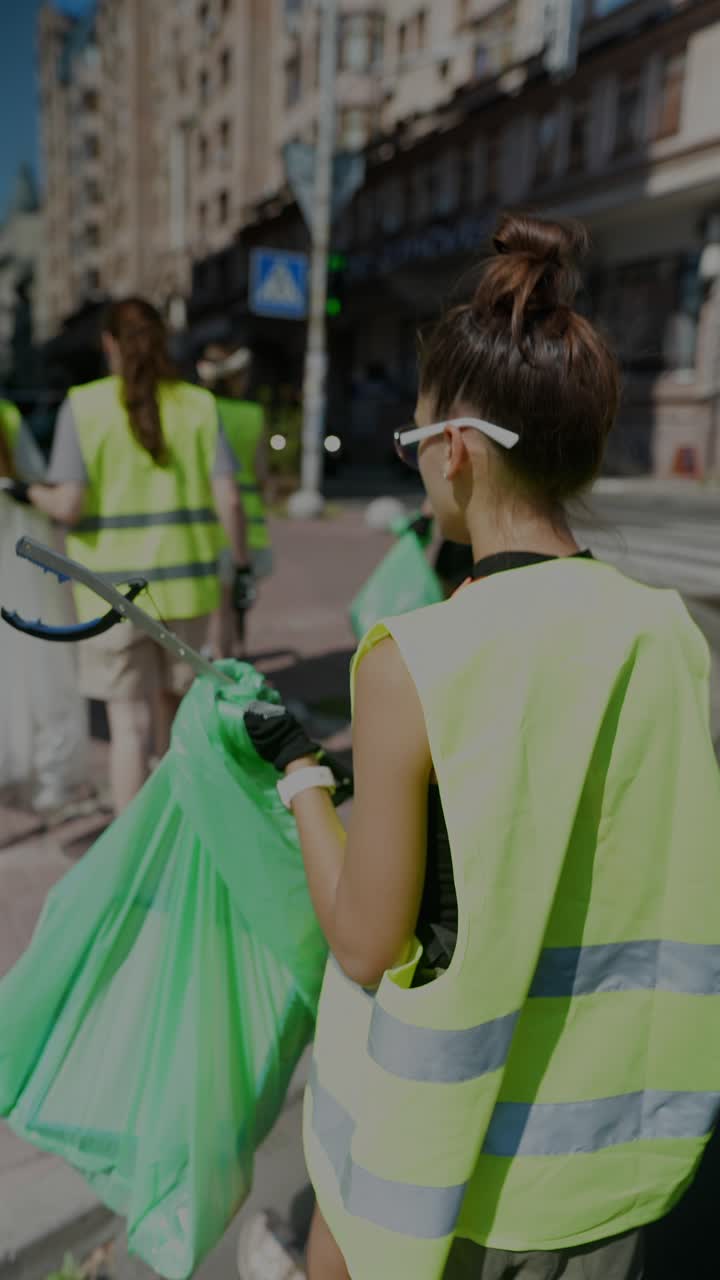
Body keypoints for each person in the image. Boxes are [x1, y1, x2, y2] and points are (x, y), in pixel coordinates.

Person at [243, 213, 720, 1280]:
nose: (415, 469)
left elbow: (366, 942)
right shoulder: (666, 631)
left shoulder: (412, 655)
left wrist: (305, 777)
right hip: (619, 1164)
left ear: (455, 448)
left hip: (452, 1169)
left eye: (414, 444)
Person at [26, 298, 254, 815]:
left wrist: (29, 492)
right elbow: (231, 498)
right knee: (176, 719)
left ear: (108, 344)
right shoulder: (198, 405)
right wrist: (239, 566)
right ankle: (182, 832)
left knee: (127, 723)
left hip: (110, 596)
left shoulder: (83, 407)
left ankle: (132, 854)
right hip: (188, 591)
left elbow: (69, 504)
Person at [0, 399, 87, 813]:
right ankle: (45, 772)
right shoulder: (7, 415)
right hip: (13, 552)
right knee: (31, 661)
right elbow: (32, 481)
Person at [198, 342, 272, 656]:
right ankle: (238, 653)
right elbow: (260, 471)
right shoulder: (253, 414)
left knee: (217, 604)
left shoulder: (200, 409)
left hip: (208, 517)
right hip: (248, 520)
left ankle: (220, 658)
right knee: (238, 599)